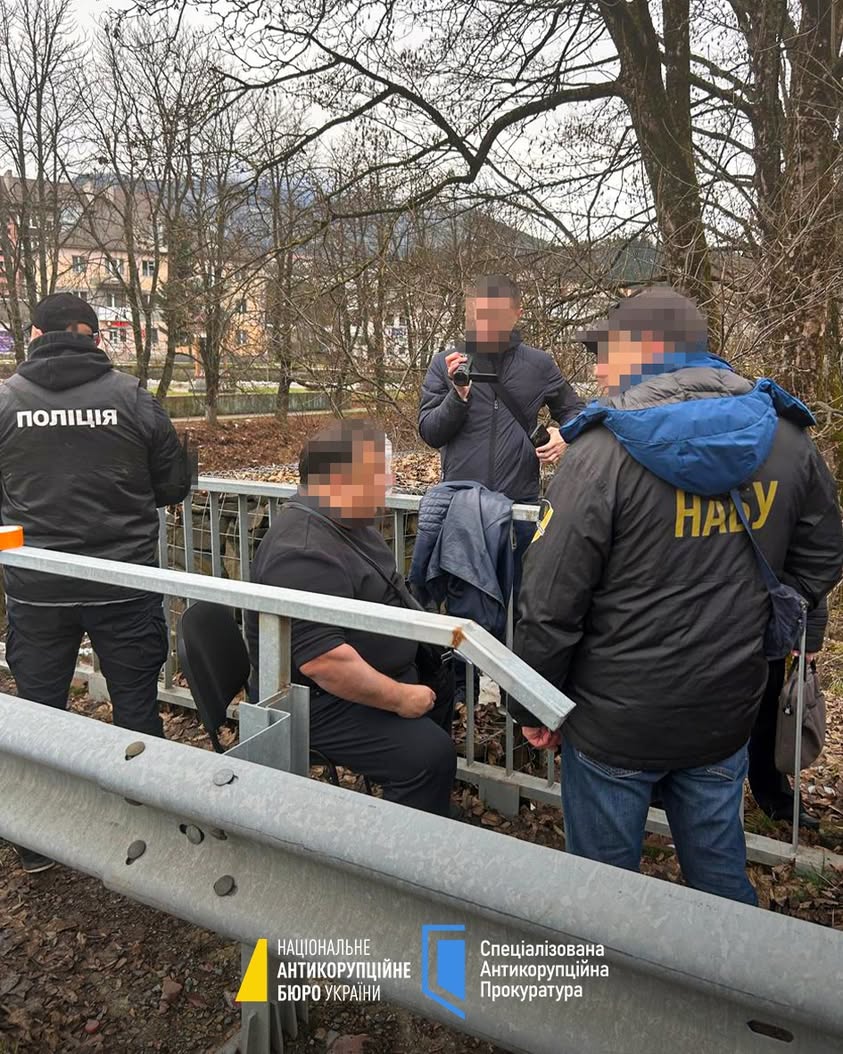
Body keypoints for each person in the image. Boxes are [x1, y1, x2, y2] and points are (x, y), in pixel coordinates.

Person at [509, 286, 843, 906]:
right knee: (720, 881)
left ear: (649, 351)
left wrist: (532, 706)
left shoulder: (599, 454)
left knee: (603, 893)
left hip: (614, 722)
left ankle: (615, 967)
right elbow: (822, 555)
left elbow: (549, 604)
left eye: (606, 353)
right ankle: (731, 969)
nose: (597, 371)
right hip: (725, 709)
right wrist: (761, 622)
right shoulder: (787, 440)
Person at [0, 293, 194, 873]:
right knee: (136, 706)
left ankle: (36, 842)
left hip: (37, 587)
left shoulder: (6, 401)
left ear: (36, 336)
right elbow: (172, 486)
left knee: (40, 712)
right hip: (123, 582)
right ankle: (147, 826)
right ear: (93, 335)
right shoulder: (131, 396)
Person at [246, 421, 456, 816]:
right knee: (427, 757)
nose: (390, 481)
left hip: (361, 679)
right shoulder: (301, 552)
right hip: (316, 701)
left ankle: (426, 810)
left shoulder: (348, 521)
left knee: (442, 686)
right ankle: (400, 845)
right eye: (379, 474)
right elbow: (325, 664)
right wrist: (400, 698)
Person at [418, 275, 584, 698]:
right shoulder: (447, 362)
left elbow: (576, 412)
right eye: (477, 315)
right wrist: (457, 395)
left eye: (494, 316)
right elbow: (430, 431)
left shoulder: (538, 364)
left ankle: (516, 705)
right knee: (464, 608)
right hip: (462, 511)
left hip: (518, 510)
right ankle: (464, 701)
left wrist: (565, 436)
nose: (484, 325)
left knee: (519, 607)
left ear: (516, 314)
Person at [749, 596, 827, 827]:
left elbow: (811, 581)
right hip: (700, 638)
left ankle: (777, 800)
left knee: (766, 725)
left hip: (764, 639)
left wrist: (809, 637)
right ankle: (665, 793)